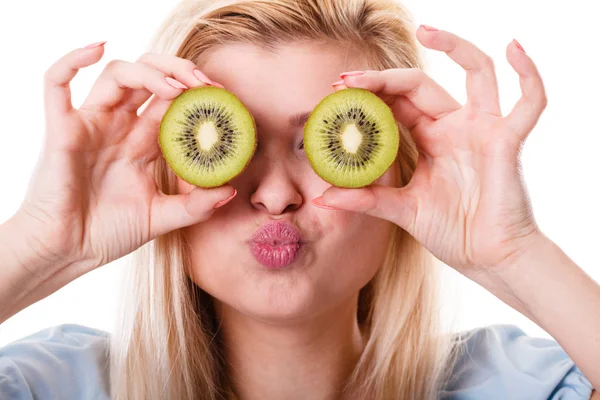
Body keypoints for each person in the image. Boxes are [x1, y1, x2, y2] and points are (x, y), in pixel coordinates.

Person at [0, 0, 598, 399]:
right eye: (230, 145)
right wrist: (42, 243)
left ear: (401, 170)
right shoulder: (51, 385)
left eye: (320, 144)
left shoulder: (518, 385)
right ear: (162, 173)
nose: (277, 195)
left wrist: (514, 253)